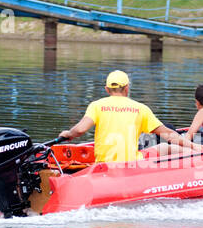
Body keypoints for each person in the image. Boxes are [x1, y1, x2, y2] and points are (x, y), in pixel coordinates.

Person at [59, 70, 191, 163]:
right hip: (132, 164)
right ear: (127, 88)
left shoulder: (96, 106)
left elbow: (80, 130)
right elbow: (167, 133)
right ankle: (199, 153)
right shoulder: (140, 108)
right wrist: (194, 146)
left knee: (162, 148)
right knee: (164, 148)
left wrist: (68, 133)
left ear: (107, 89)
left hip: (104, 165)